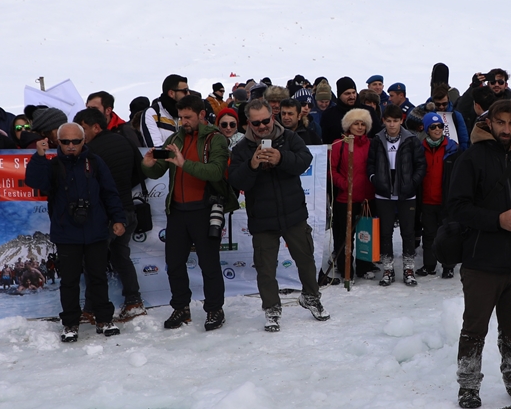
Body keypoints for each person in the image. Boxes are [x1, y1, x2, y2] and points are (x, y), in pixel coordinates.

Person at [449, 99, 511, 409]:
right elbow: (457, 208)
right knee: (475, 329)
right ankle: (468, 385)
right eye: (500, 122)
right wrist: (497, 220)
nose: (506, 129)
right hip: (482, 262)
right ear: (489, 122)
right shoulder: (471, 158)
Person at [227, 98, 329, 331]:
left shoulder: (290, 138)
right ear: (249, 124)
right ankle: (272, 308)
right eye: (256, 123)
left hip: (293, 215)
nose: (262, 126)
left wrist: (281, 158)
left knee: (305, 260)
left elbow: (305, 160)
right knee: (265, 269)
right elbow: (236, 180)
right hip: (263, 220)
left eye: (265, 120)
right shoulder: (242, 149)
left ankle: (311, 297)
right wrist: (251, 165)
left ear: (272, 117)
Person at [140, 93, 234, 331]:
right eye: (181, 117)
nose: (184, 122)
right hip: (178, 212)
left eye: (188, 117)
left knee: (209, 264)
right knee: (174, 263)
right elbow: (159, 169)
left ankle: (214, 309)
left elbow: (215, 172)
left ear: (202, 114)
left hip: (203, 210)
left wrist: (184, 164)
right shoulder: (176, 137)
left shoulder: (216, 139)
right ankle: (181, 308)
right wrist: (148, 165)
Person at [25, 123, 127, 342]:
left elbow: (110, 193)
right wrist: (39, 156)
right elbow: (35, 182)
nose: (71, 146)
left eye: (76, 141)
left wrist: (118, 218)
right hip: (66, 233)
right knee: (69, 281)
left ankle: (104, 319)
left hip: (96, 231)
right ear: (58, 142)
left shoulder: (96, 163)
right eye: (65, 142)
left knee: (98, 277)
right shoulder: (51, 165)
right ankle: (70, 323)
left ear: (84, 141)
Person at [77, 107, 147, 322]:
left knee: (94, 263)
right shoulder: (125, 141)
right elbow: (140, 172)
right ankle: (133, 302)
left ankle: (91, 309)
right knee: (120, 257)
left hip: (104, 215)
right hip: (128, 211)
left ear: (96, 127)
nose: (80, 134)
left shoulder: (89, 151)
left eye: (83, 128)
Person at [369, 104, 426, 286]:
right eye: (389, 121)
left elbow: (420, 165)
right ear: (383, 121)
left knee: (408, 232)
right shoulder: (377, 140)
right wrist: (375, 179)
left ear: (401, 121)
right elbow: (370, 163)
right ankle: (388, 268)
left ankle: (408, 268)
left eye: (395, 121)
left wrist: (412, 183)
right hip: (384, 192)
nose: (392, 125)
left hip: (406, 193)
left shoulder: (411, 140)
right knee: (385, 233)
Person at [328, 109, 377, 282]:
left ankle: (365, 267)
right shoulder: (339, 144)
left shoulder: (372, 144)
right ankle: (345, 267)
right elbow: (331, 169)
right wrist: (344, 184)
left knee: (366, 235)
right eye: (356, 123)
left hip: (367, 198)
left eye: (363, 124)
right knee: (345, 236)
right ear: (349, 125)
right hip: (345, 198)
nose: (359, 127)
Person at [418, 112, 460, 278]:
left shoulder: (452, 148)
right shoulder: (420, 148)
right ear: (427, 129)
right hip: (427, 200)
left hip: (446, 200)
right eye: (433, 127)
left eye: (440, 126)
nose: (437, 129)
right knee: (428, 235)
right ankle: (429, 265)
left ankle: (448, 266)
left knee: (448, 234)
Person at [143, 74, 186, 146]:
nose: (188, 94)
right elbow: (156, 148)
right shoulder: (153, 113)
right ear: (171, 93)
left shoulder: (186, 115)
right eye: (185, 91)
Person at [320, 77, 359, 143]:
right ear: (339, 95)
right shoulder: (328, 115)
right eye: (347, 94)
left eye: (354, 92)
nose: (352, 96)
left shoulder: (367, 112)